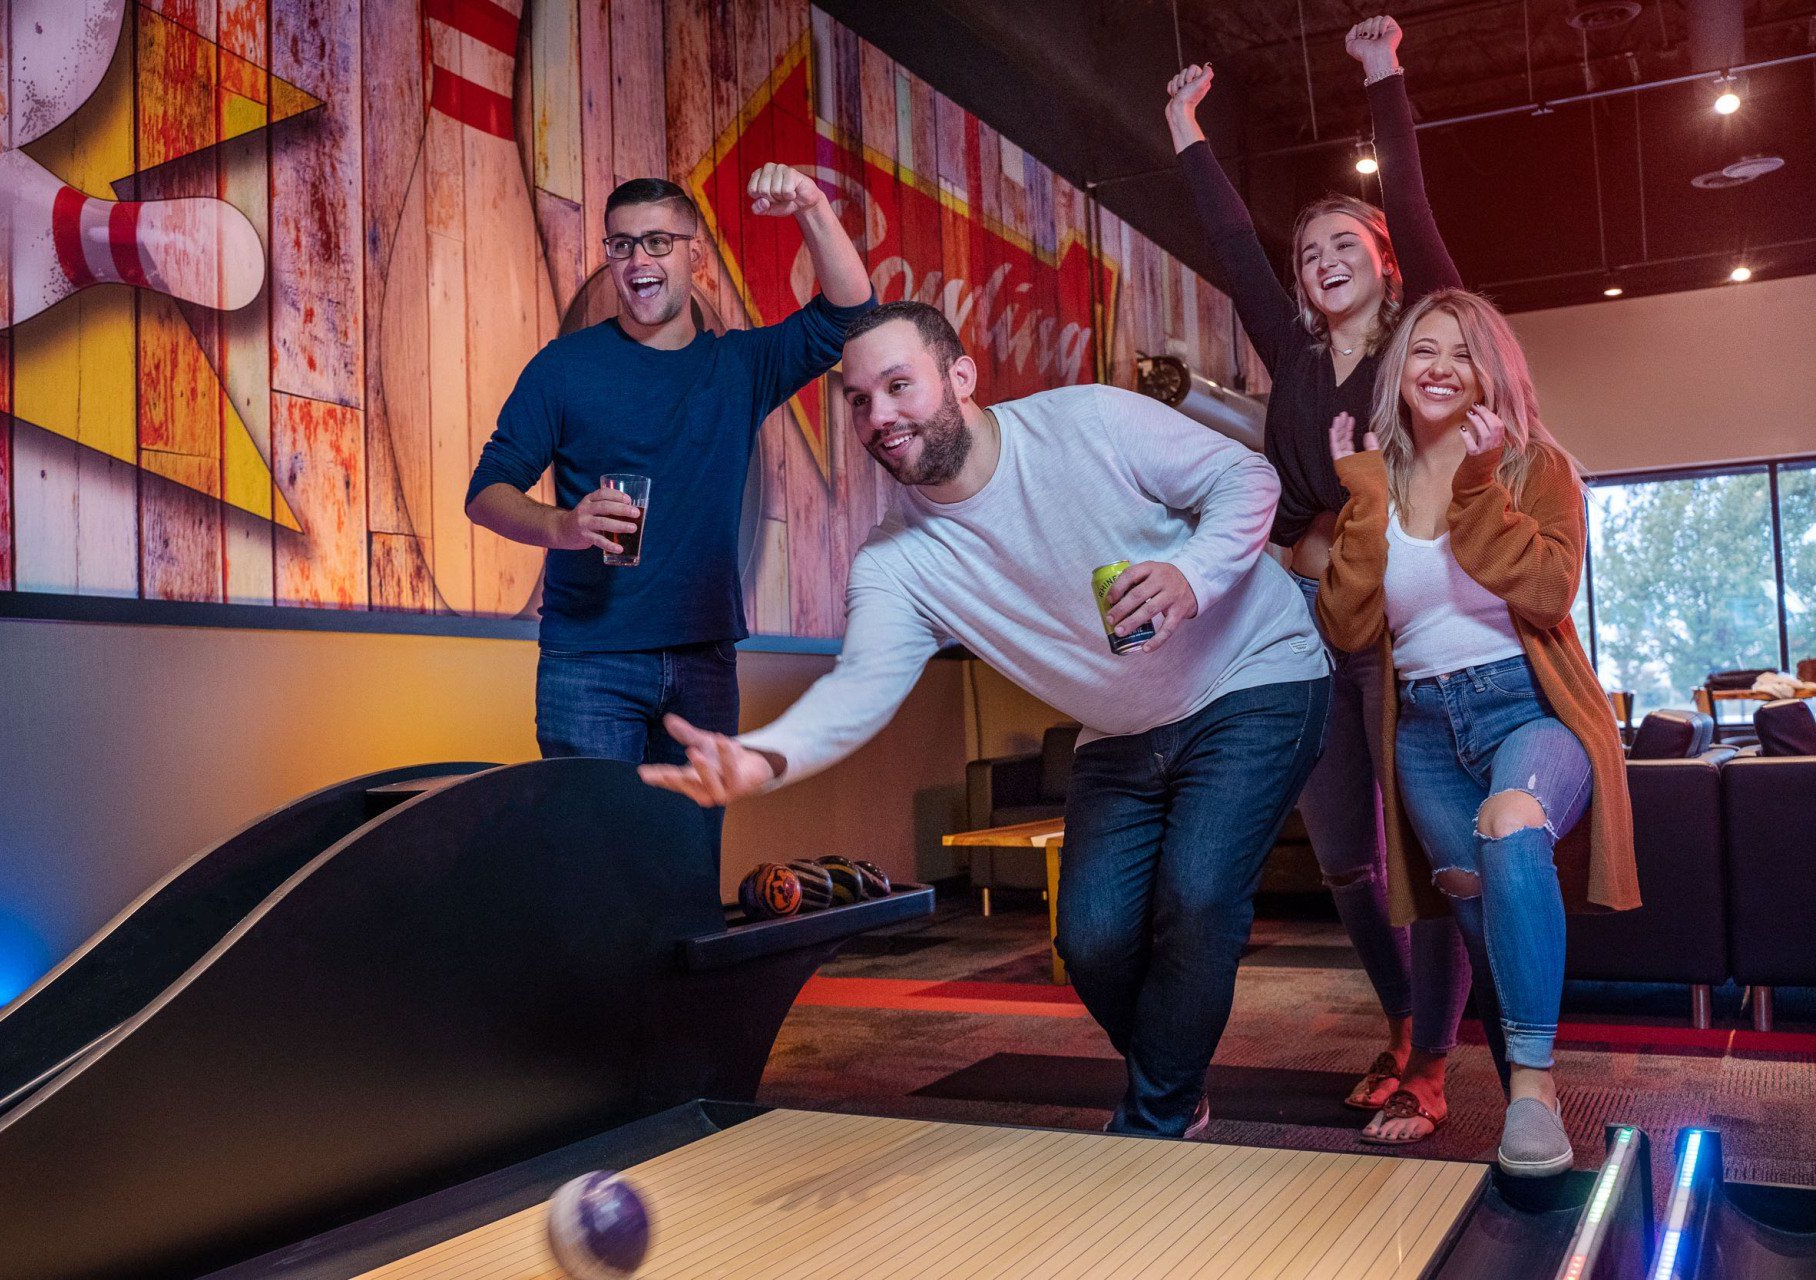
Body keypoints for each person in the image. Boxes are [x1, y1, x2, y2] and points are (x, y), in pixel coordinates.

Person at [639, 301, 1331, 1139]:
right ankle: (1173, 1077)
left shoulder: (1089, 422)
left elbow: (1248, 480)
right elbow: (862, 685)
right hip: (1119, 730)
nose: (878, 416)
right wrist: (764, 758)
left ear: (960, 377)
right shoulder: (898, 561)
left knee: (1198, 891)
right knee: (1093, 942)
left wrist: (1190, 574)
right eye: (857, 399)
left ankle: (1158, 1121)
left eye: (898, 385)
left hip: (1256, 672)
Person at [1164, 14, 1474, 1138]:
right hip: (1307, 621)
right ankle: (1401, 1026)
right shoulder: (1292, 357)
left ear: (1383, 263)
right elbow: (1235, 247)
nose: (1321, 259)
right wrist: (1182, 129)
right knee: (1346, 856)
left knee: (1432, 854)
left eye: (1345, 241)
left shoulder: (1421, 337)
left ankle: (1435, 1062)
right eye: (1311, 252)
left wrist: (1383, 77)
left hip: (1408, 622)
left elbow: (1421, 206)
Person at [1316, 288, 1637, 1175]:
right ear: (1399, 368)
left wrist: (1475, 485)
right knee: (1477, 932)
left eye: (1462, 352)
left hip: (1531, 710)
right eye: (1424, 349)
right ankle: (1531, 1122)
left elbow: (1544, 593)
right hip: (1421, 727)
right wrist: (1358, 502)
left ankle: (1531, 1093)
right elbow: (1345, 626)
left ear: (1491, 370)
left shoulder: (1536, 466)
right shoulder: (1376, 477)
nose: (1441, 367)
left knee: (1512, 825)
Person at [465, 166, 874, 809]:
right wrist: (563, 527)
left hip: (704, 664)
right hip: (588, 666)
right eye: (621, 243)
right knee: (595, 868)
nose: (638, 259)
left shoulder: (738, 366)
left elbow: (850, 315)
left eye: (658, 241)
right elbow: (486, 491)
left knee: (684, 872)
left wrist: (812, 206)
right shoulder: (564, 367)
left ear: (693, 254)